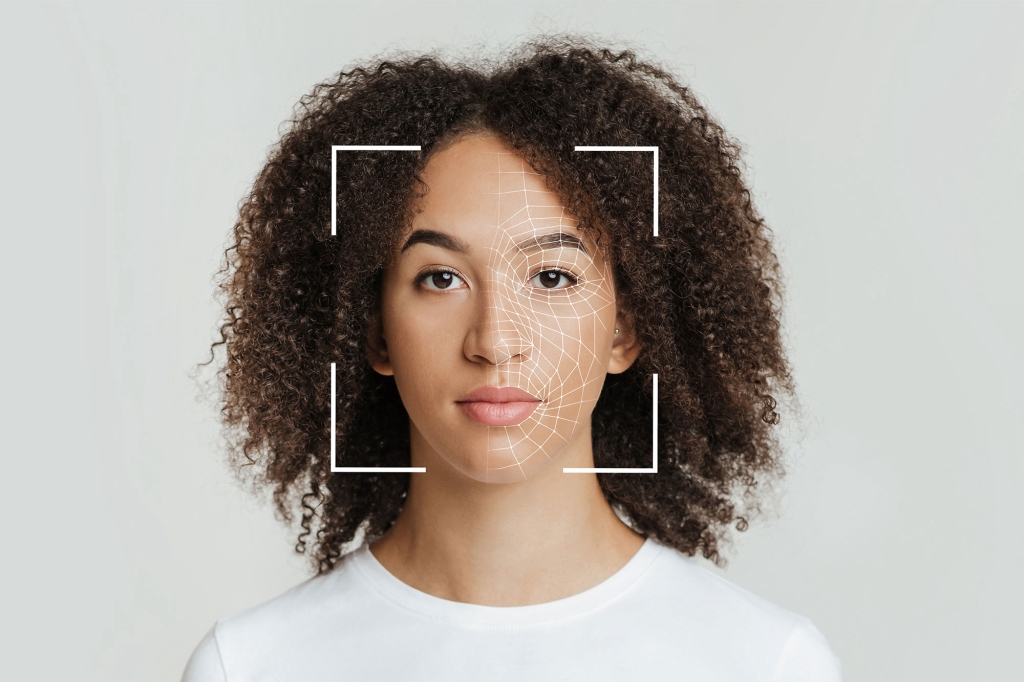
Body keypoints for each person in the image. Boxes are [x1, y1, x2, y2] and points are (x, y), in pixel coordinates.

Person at [183, 37, 842, 681]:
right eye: (440, 278)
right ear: (374, 332)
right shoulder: (251, 666)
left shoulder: (763, 663)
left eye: (552, 278)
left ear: (625, 331)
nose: (495, 341)